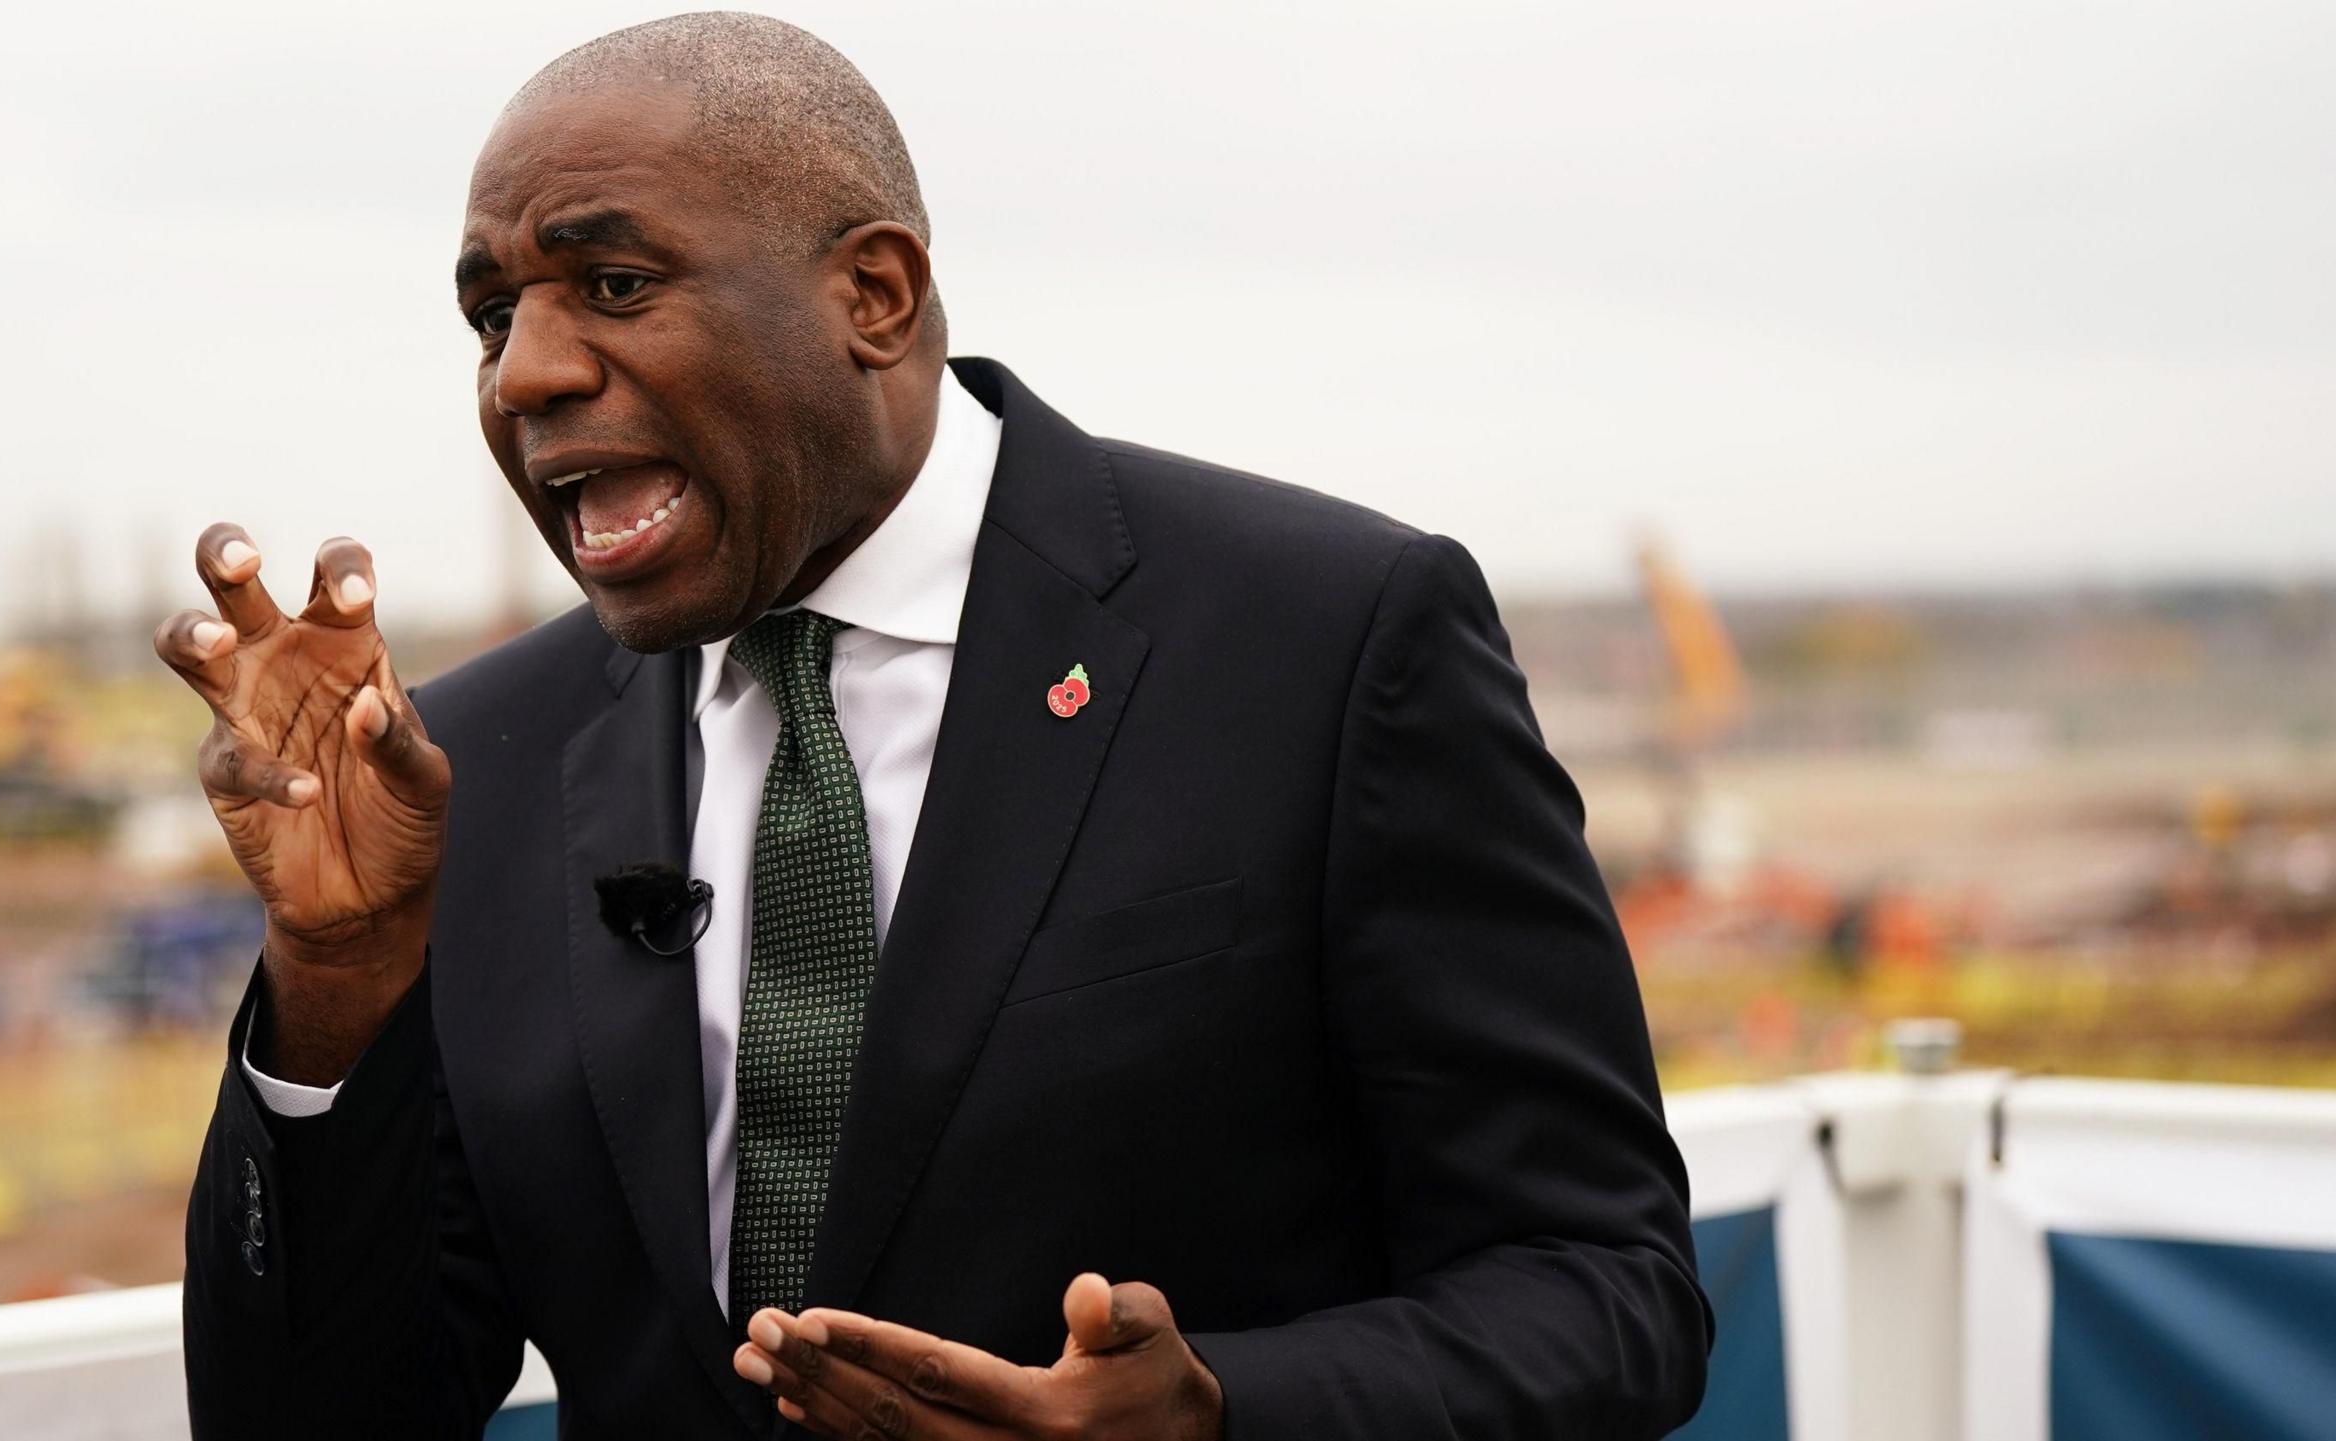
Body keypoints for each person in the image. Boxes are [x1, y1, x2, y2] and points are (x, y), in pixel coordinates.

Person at [162, 13, 1710, 1439]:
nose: (531, 371)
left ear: (873, 296)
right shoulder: (472, 760)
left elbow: (1607, 1286)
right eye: (492, 313)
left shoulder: (1328, 636)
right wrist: (340, 984)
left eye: (615, 285)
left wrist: (1221, 1413)